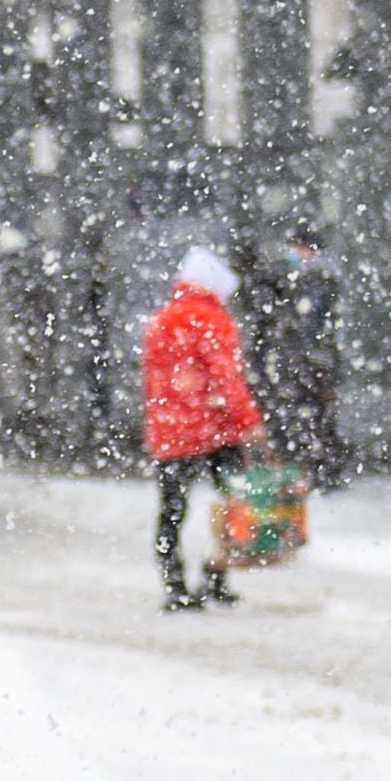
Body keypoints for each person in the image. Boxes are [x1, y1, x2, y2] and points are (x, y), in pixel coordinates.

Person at [142, 248, 263, 613]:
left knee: (172, 511)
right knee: (231, 502)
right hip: (214, 430)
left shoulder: (161, 321)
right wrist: (248, 422)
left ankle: (173, 583)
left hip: (170, 433)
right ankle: (216, 574)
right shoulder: (212, 321)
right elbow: (226, 379)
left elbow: (155, 384)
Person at [239, 233, 347, 488]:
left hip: (309, 363)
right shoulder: (291, 281)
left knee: (313, 419)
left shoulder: (317, 283)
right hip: (298, 363)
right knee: (302, 418)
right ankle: (311, 471)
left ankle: (320, 472)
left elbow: (319, 325)